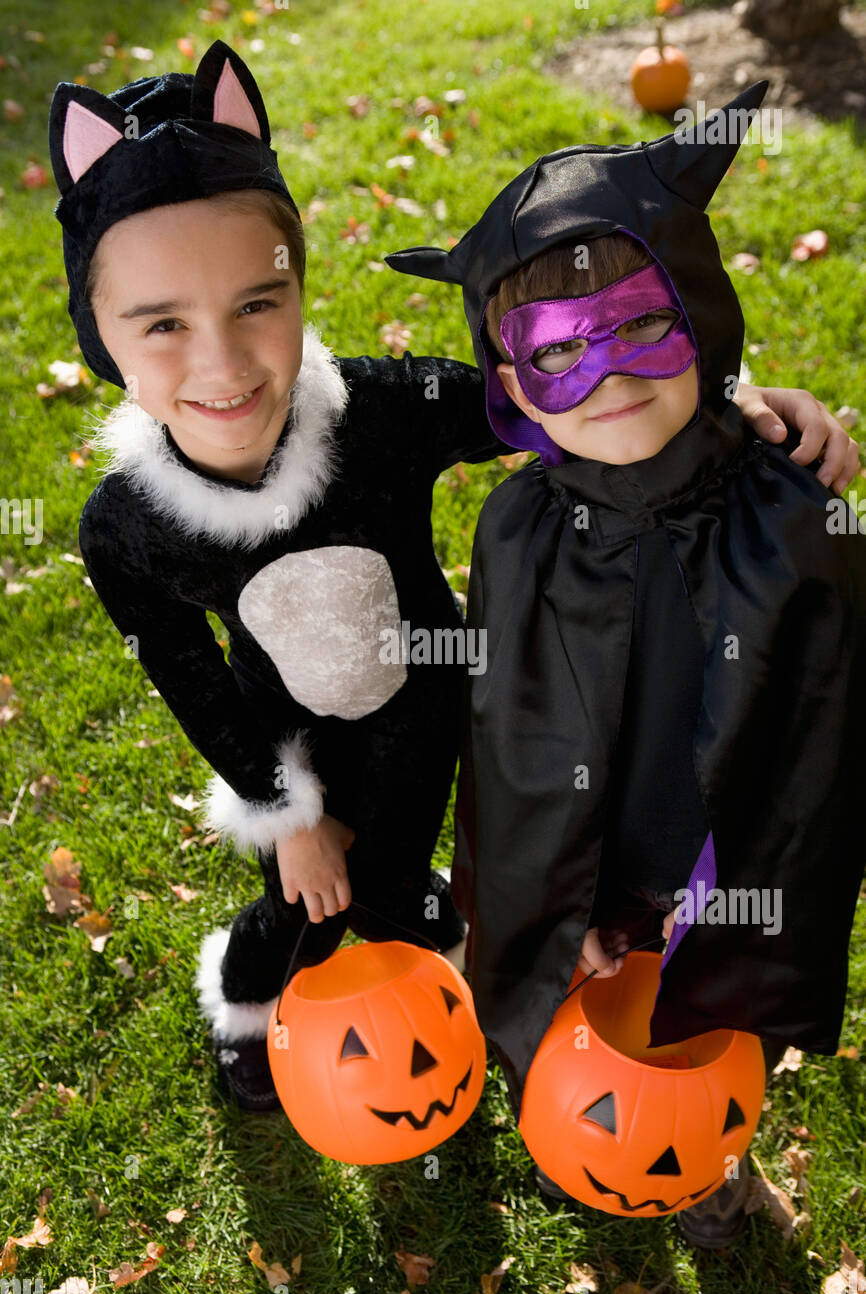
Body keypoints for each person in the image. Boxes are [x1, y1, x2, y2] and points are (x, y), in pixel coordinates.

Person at [50, 46, 853, 1122]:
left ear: (296, 279)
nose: (225, 364)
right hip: (297, 749)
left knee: (398, 887)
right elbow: (183, 668)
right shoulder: (129, 525)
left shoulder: (376, 412)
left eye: (257, 302)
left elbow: (552, 383)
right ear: (98, 337)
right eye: (161, 323)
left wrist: (732, 397)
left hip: (423, 723)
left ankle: (431, 983)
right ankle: (249, 1010)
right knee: (300, 910)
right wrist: (283, 809)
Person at [384, 81, 866, 1249]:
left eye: (642, 321)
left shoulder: (793, 510)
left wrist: (783, 431)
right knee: (591, 997)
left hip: (715, 845)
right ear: (507, 383)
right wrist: (546, 899)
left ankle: (701, 1161)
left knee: (702, 1009)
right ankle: (578, 1120)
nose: (604, 373)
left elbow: (824, 724)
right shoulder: (516, 531)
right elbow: (506, 736)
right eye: (553, 352)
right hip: (587, 839)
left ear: (700, 310)